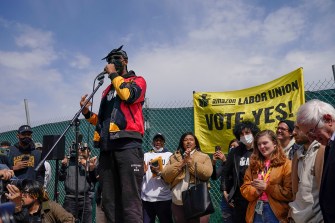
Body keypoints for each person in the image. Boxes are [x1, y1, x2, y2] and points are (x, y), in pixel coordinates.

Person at [79, 45, 147, 223]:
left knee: (130, 199)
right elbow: (103, 121)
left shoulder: (137, 80)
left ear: (125, 61)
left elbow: (128, 96)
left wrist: (113, 75)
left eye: (116, 58)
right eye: (109, 60)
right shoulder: (106, 91)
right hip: (107, 148)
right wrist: (86, 112)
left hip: (127, 145)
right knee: (109, 201)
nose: (112, 62)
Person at [240, 130, 293, 223]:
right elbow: (244, 188)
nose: (261, 147)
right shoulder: (253, 165)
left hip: (277, 213)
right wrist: (256, 191)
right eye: (259, 144)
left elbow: (289, 193)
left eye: (265, 143)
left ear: (275, 143)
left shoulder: (286, 164)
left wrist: (267, 187)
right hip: (256, 210)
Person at [296, 99, 335, 223]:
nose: (311, 138)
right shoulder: (329, 146)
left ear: (328, 120)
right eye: (307, 134)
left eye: (312, 131)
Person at [161, 132, 213, 223]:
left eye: (191, 140)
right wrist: (181, 163)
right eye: (185, 140)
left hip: (198, 199)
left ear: (195, 143)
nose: (188, 142)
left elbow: (207, 173)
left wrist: (190, 162)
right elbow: (165, 176)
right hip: (178, 199)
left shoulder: (204, 156)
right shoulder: (174, 157)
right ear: (182, 143)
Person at [223, 120, 260, 223]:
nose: (244, 136)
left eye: (247, 133)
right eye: (241, 134)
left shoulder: (260, 150)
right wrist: (225, 192)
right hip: (239, 198)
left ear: (253, 133)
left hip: (258, 196)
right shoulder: (235, 152)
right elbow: (226, 172)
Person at [288, 122, 324, 222]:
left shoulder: (323, 150)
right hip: (298, 217)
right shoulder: (297, 154)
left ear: (311, 129)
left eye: (298, 128)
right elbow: (296, 192)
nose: (294, 132)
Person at [59, 143, 97, 223]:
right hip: (70, 198)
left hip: (85, 198)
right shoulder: (69, 162)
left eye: (81, 149)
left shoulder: (90, 162)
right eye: (78, 149)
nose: (79, 151)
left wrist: (86, 165)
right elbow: (60, 178)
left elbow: (93, 179)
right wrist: (63, 166)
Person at [5, 179, 75, 222]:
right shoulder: (19, 210)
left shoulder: (47, 206)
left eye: (24, 193)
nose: (21, 196)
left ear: (35, 195)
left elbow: (69, 219)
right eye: (21, 192)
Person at [141, 133, 173, 223]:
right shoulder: (146, 155)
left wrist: (159, 173)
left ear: (164, 142)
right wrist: (142, 172)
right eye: (156, 140)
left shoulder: (169, 155)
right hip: (147, 197)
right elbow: (141, 172)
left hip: (164, 197)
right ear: (152, 142)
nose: (158, 142)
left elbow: (171, 174)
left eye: (160, 140)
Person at [211, 139, 239, 223]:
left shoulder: (242, 162)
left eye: (234, 146)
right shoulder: (226, 163)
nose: (232, 148)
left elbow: (236, 176)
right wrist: (213, 162)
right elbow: (214, 177)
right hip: (226, 197)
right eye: (230, 146)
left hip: (238, 198)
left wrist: (225, 160)